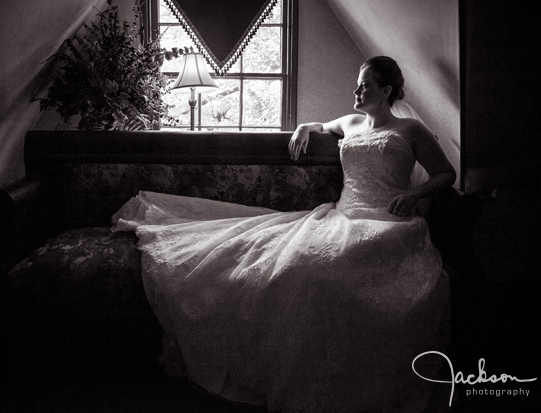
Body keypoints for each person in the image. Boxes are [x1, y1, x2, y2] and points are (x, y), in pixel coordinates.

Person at [112, 56, 456, 412]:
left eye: (365, 84)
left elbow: (446, 174)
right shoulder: (352, 122)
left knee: (327, 273)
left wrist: (415, 194)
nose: (356, 89)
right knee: (288, 262)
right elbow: (320, 124)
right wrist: (306, 127)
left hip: (389, 225)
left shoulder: (411, 131)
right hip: (343, 217)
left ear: (385, 91)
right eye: (357, 83)